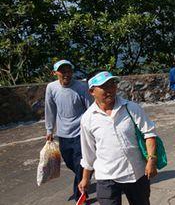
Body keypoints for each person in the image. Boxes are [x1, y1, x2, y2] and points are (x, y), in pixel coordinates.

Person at [78, 71, 157, 205]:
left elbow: (149, 134)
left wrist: (151, 160)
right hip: (106, 177)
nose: (110, 90)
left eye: (112, 85)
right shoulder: (88, 119)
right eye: (104, 87)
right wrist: (85, 178)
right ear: (92, 91)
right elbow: (88, 153)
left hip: (136, 173)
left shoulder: (131, 108)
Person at [44, 59, 92, 201]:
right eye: (62, 71)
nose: (66, 74)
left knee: (79, 164)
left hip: (80, 133)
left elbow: (90, 109)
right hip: (63, 134)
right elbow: (50, 109)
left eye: (69, 70)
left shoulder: (81, 87)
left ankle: (80, 196)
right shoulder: (51, 88)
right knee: (71, 163)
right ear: (55, 73)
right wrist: (49, 129)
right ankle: (85, 176)